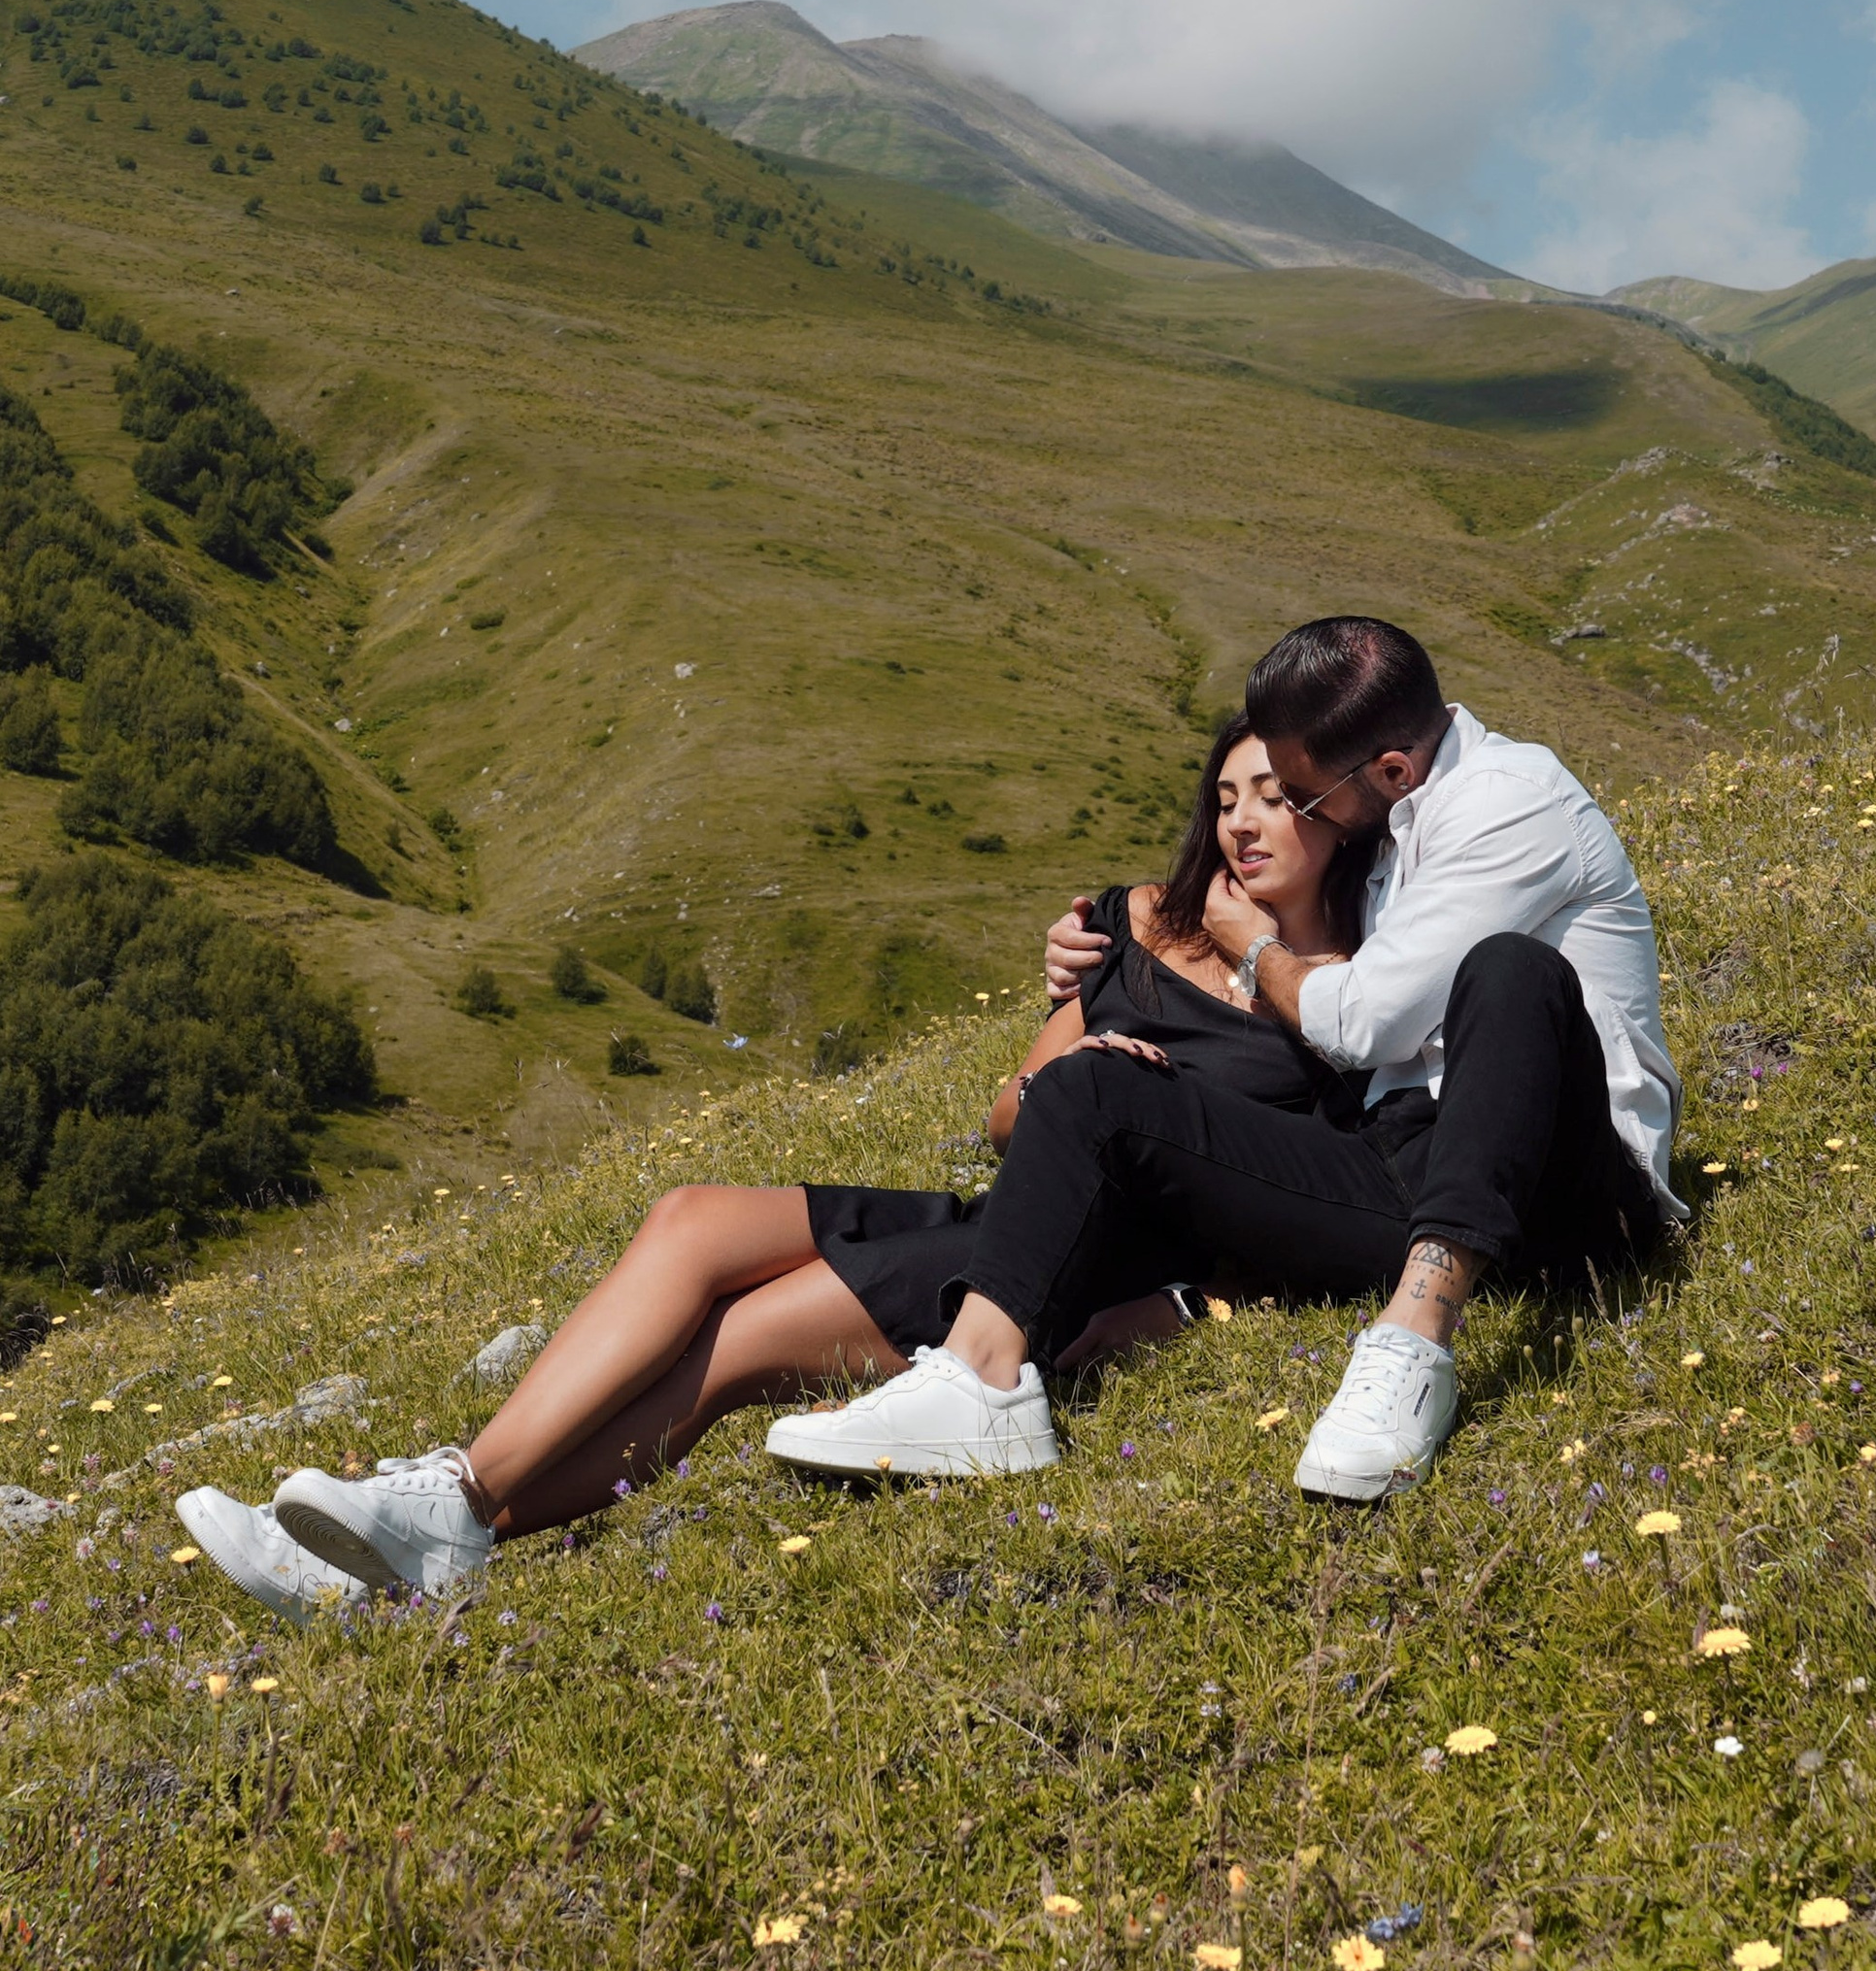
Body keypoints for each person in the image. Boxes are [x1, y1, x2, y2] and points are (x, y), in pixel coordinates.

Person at [176, 719, 1374, 1619]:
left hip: (1075, 1265)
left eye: (1273, 797)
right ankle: (440, 1510)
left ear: (1336, 812)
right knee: (693, 1217)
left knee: (740, 1345)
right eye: (1225, 797)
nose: (1241, 822)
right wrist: (1081, 1052)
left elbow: (1303, 1196)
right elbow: (1015, 1113)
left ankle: (442, 1524)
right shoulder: (1134, 921)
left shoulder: (1353, 993)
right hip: (1011, 1208)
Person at [773, 615, 1681, 1508]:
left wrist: (1251, 947)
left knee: (1510, 970)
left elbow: (1362, 1023)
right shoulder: (1388, 823)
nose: (1279, 814)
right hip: (1398, 1162)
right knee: (1094, 1084)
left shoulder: (1511, 805)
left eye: (1303, 797)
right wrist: (1102, 946)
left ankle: (1413, 1344)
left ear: (1392, 771)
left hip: (1564, 1186)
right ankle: (980, 1386)